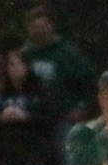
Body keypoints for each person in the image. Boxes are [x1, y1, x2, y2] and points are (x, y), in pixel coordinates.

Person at [0, 49, 56, 165]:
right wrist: (1, 117)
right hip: (5, 154)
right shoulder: (0, 93)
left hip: (34, 152)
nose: (14, 69)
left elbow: (50, 117)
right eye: (11, 65)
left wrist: (26, 117)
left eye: (19, 64)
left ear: (27, 66)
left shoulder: (40, 90)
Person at [20, 6, 96, 138]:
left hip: (63, 119)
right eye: (34, 27)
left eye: (43, 26)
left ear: (51, 26)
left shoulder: (67, 54)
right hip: (32, 119)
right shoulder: (25, 56)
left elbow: (89, 82)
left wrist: (81, 107)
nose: (39, 31)